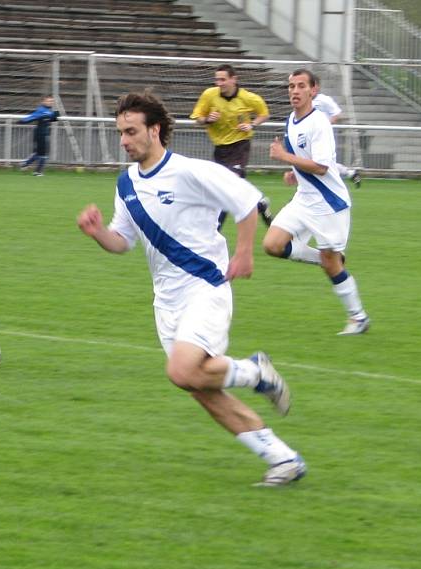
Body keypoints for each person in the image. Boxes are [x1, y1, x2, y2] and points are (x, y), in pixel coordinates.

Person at [77, 91, 306, 487]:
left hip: (206, 287)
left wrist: (245, 252)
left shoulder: (189, 171)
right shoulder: (126, 183)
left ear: (155, 130)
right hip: (166, 302)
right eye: (121, 133)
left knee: (181, 370)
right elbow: (123, 242)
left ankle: (253, 371)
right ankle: (282, 459)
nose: (124, 141)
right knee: (200, 388)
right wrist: (99, 233)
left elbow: (246, 201)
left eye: (131, 132)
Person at [265, 69, 370, 336]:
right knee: (272, 245)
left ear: (314, 90)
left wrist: (285, 159)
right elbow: (307, 159)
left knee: (331, 265)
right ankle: (326, 258)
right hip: (304, 199)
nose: (295, 91)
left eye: (301, 86)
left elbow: (322, 167)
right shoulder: (291, 119)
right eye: (291, 86)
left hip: (328, 204)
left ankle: (358, 318)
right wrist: (294, 172)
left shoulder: (319, 123)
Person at [190, 64, 272, 226]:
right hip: (220, 149)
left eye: (223, 79)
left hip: (240, 145)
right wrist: (207, 119)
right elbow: (197, 117)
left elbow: (264, 114)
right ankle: (260, 203)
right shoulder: (209, 95)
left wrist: (252, 125)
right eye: (217, 80)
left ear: (233, 79)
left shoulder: (248, 98)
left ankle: (216, 228)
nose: (219, 83)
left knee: (226, 185)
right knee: (232, 187)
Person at [311, 83, 362, 188]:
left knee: (321, 163)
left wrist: (324, 127)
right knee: (320, 162)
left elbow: (337, 114)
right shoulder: (306, 102)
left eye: (314, 86)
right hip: (312, 136)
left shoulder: (324, 99)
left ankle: (346, 175)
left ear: (317, 87)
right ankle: (350, 173)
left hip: (324, 137)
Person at [19, 94, 59, 176]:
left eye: (51, 101)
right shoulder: (42, 110)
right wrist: (22, 120)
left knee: (39, 153)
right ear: (43, 101)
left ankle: (25, 163)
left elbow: (49, 119)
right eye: (48, 101)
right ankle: (37, 172)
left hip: (44, 134)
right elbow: (33, 117)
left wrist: (55, 116)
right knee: (43, 154)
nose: (50, 102)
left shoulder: (48, 110)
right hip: (41, 134)